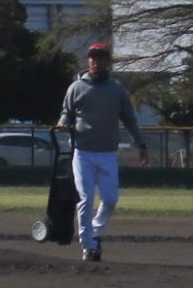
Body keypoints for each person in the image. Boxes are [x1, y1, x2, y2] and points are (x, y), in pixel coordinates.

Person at [56, 42, 148, 263]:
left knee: (110, 199)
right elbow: (67, 112)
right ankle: (88, 245)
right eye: (93, 58)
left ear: (108, 61)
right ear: (88, 61)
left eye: (101, 58)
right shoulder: (76, 87)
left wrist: (141, 145)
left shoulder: (117, 90)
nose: (96, 61)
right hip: (83, 152)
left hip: (107, 153)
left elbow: (130, 120)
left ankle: (95, 232)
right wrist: (61, 121)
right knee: (85, 200)